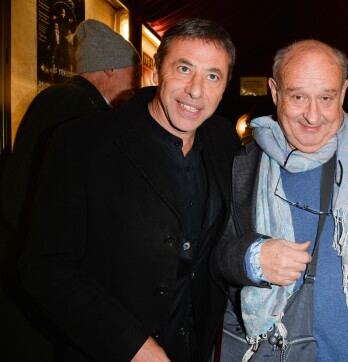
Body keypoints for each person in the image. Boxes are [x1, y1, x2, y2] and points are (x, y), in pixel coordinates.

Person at [18, 18, 240, 362]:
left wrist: (345, 126)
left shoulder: (223, 140)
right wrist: (131, 345)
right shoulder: (82, 142)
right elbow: (46, 268)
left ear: (224, 88)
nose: (196, 90)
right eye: (184, 69)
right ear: (155, 73)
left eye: (212, 76)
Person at [215, 39, 348, 361]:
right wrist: (253, 258)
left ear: (344, 90)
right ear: (275, 91)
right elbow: (216, 251)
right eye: (297, 97)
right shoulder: (243, 165)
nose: (313, 115)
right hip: (272, 350)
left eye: (327, 97)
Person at [1, 18, 141, 236]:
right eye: (135, 73)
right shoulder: (80, 105)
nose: (136, 84)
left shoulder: (61, 96)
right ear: (110, 69)